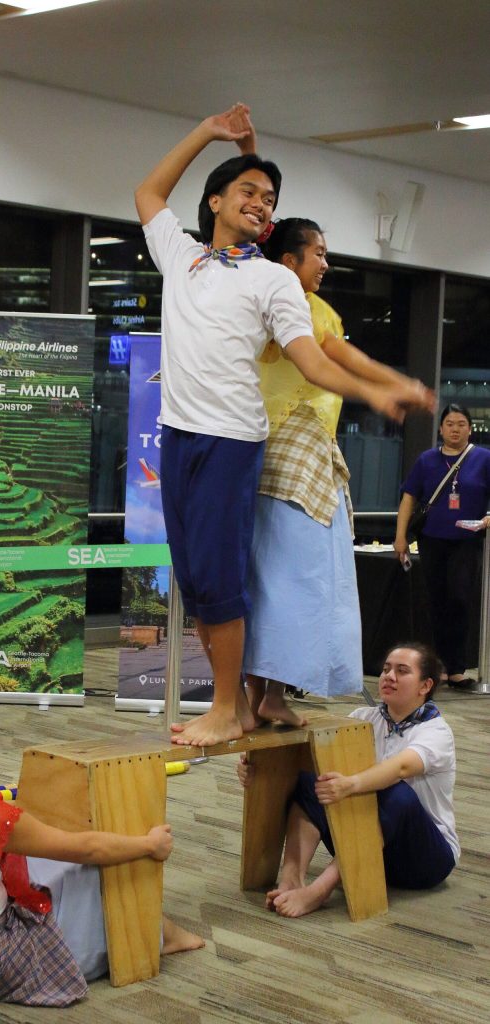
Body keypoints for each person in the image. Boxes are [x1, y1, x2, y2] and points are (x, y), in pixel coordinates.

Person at [135, 102, 436, 747]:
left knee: (220, 581)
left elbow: (315, 360)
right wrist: (211, 133)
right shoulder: (179, 258)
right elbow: (149, 190)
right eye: (249, 192)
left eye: (270, 200)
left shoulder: (273, 279)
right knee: (193, 579)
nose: (262, 204)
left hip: (233, 442)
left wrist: (372, 394)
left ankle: (224, 708)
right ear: (213, 201)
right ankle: (238, 705)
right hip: (181, 437)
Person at [242, 217, 435, 726]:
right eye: (318, 254)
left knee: (293, 577)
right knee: (284, 577)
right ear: (289, 261)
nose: (326, 264)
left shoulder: (313, 307)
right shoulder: (281, 301)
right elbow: (330, 356)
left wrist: (398, 383)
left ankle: (267, 695)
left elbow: (345, 352)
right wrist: (383, 389)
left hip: (305, 452)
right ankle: (261, 695)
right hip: (284, 447)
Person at [0, 693, 203, 1006]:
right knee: (92, 868)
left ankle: (160, 930)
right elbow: (88, 849)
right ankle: (158, 935)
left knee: (41, 861)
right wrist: (149, 844)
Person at [238, 643, 459, 917]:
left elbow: (401, 768)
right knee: (308, 782)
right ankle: (291, 877)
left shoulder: (436, 732)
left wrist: (350, 785)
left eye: (402, 671)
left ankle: (320, 891)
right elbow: (304, 762)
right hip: (371, 849)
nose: (389, 676)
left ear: (425, 686)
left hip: (424, 859)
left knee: (397, 794)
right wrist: (255, 770)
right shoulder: (361, 718)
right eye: (386, 669)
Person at [394, 404, 490, 687]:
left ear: (470, 428)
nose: (455, 429)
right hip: (432, 539)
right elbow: (409, 499)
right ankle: (438, 666)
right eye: (449, 423)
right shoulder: (427, 460)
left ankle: (458, 667)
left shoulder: (483, 458)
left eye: (461, 423)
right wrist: (400, 537)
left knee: (459, 600)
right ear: (440, 429)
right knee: (435, 602)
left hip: (467, 540)